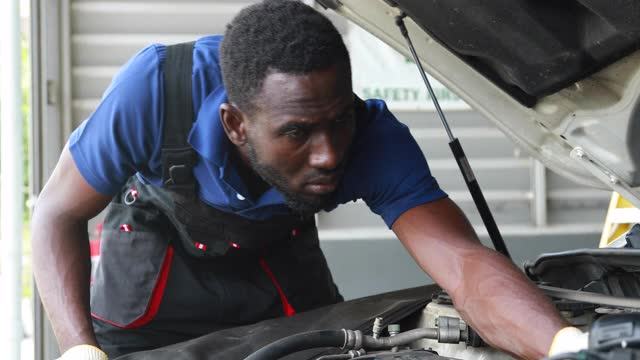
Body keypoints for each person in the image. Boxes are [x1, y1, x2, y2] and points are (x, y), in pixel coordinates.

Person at [31, 1, 585, 359]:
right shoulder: (156, 89)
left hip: (279, 289)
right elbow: (57, 212)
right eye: (298, 132)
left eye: (338, 119)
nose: (328, 154)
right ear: (236, 124)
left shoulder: (370, 136)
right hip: (150, 301)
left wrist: (566, 346)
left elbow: (463, 266)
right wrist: (79, 349)